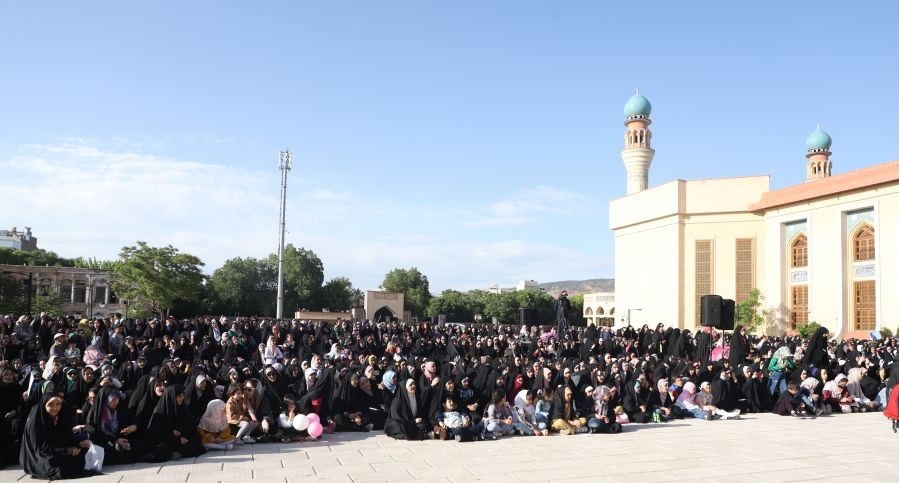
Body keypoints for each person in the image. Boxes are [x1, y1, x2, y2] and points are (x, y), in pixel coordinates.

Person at [20, 393, 95, 479]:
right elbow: (41, 450)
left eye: (58, 404)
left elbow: (62, 439)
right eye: (50, 404)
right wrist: (67, 451)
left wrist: (79, 444)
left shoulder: (58, 417)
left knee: (83, 453)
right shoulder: (36, 423)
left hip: (55, 451)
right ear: (44, 404)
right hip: (38, 457)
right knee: (58, 467)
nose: (55, 408)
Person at [146, 385, 206, 461]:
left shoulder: (183, 408)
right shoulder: (160, 411)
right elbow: (155, 433)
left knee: (196, 439)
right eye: (179, 396)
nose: (182, 398)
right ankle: (179, 452)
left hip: (182, 437)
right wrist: (175, 437)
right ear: (171, 397)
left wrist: (181, 431)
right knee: (162, 448)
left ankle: (179, 453)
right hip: (168, 439)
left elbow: (190, 425)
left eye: (182, 395)